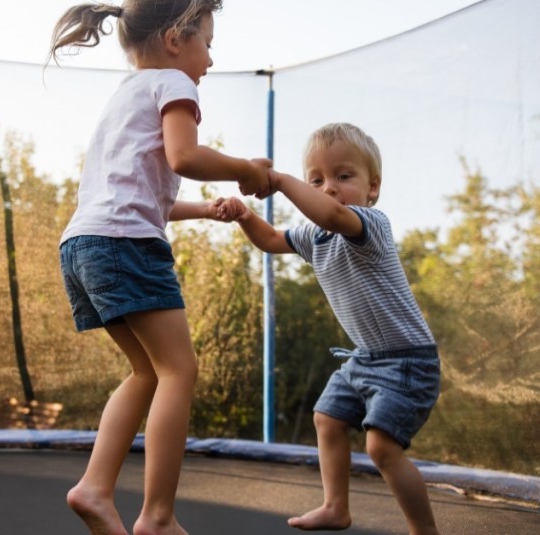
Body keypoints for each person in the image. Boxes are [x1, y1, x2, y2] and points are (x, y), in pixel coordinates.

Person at [48, 1, 270, 534]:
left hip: (83, 245)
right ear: (176, 39)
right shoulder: (175, 84)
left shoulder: (123, 98)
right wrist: (244, 170)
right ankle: (158, 517)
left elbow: (150, 196)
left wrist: (207, 210)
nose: (210, 61)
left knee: (147, 371)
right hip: (125, 245)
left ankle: (96, 489)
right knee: (179, 370)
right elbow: (184, 159)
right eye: (208, 45)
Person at [216, 122, 441, 535]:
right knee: (327, 418)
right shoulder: (314, 236)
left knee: (381, 447)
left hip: (408, 360)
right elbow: (268, 239)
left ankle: (424, 532)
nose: (329, 188)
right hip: (364, 358)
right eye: (315, 179)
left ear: (373, 187)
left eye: (343, 176)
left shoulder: (370, 223)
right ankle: (336, 507)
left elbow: (334, 214)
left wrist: (281, 181)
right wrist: (245, 215)